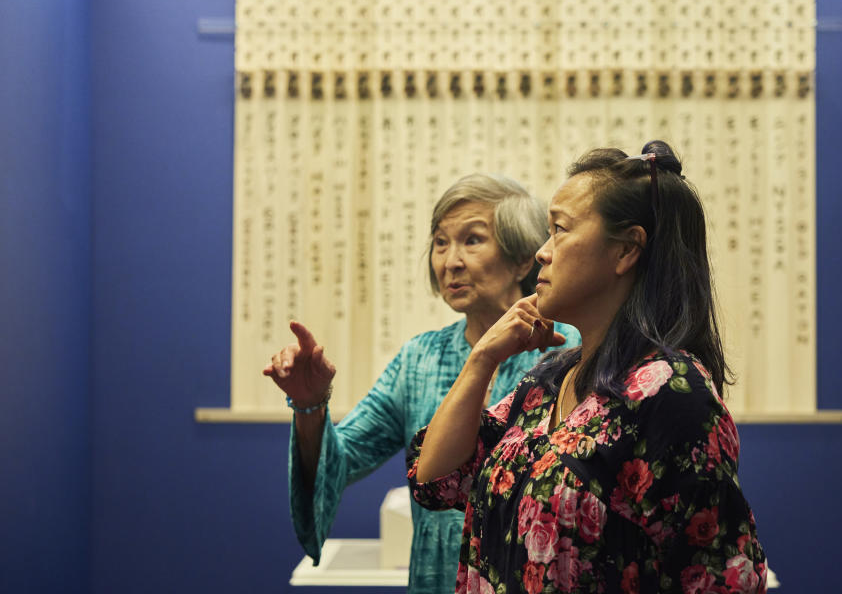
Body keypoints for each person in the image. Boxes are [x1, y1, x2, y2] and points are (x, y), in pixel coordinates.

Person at [408, 142, 766, 593]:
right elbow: (436, 479)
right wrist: (483, 359)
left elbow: (719, 577)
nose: (542, 251)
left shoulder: (671, 392)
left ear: (626, 251)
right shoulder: (549, 379)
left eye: (559, 230)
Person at [263, 173, 580, 594]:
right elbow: (342, 459)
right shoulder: (419, 359)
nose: (450, 261)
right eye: (440, 242)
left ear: (523, 259)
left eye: (472, 240)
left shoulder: (569, 349)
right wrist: (310, 405)